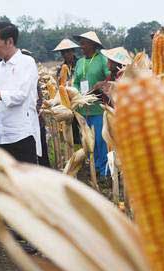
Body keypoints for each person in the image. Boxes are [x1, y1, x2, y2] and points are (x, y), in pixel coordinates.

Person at [0, 21, 41, 164]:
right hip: (1, 136)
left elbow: (19, 96)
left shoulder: (27, 62)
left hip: (22, 136)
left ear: (9, 41)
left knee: (24, 183)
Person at [72, 31, 110, 176]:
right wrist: (76, 93)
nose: (81, 46)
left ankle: (104, 171)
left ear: (92, 45)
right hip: (83, 109)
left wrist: (101, 85)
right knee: (88, 142)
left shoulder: (102, 60)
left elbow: (108, 77)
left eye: (83, 43)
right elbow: (76, 82)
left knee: (101, 141)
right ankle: (93, 168)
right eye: (80, 43)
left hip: (98, 109)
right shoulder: (80, 62)